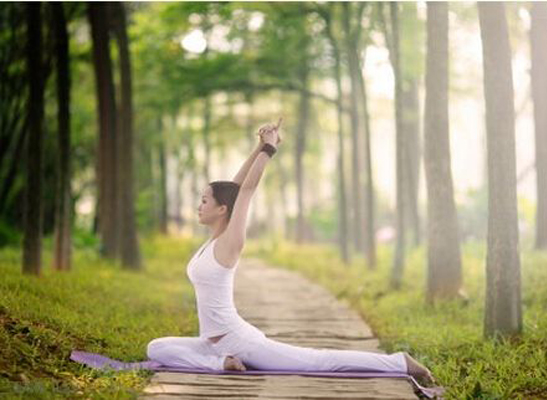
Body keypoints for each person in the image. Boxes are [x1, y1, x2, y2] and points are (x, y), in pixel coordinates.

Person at [146, 119, 435, 385]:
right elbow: (235, 188)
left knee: (319, 361)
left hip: (239, 341)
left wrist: (269, 150)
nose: (199, 205)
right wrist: (259, 145)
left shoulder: (229, 242)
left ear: (222, 210)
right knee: (156, 347)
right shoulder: (212, 241)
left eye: (204, 200)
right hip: (210, 343)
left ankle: (399, 362)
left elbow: (244, 192)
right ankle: (222, 363)